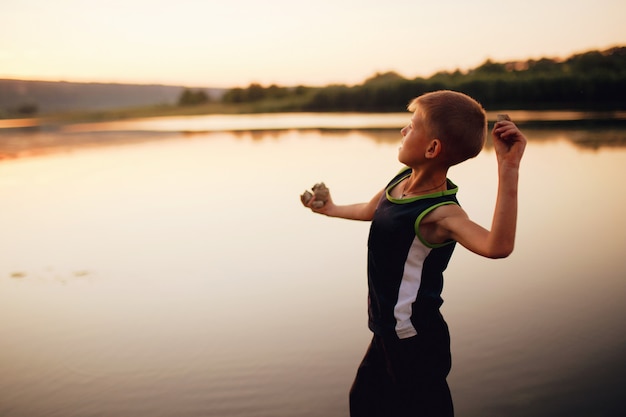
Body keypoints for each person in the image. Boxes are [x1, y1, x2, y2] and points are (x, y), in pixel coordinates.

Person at [302, 90, 527, 417]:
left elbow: (498, 246)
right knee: (363, 403)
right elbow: (370, 209)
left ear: (432, 148)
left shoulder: (442, 213)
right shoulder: (400, 182)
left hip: (415, 340)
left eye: (411, 125)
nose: (403, 131)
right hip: (385, 331)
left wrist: (508, 168)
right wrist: (330, 209)